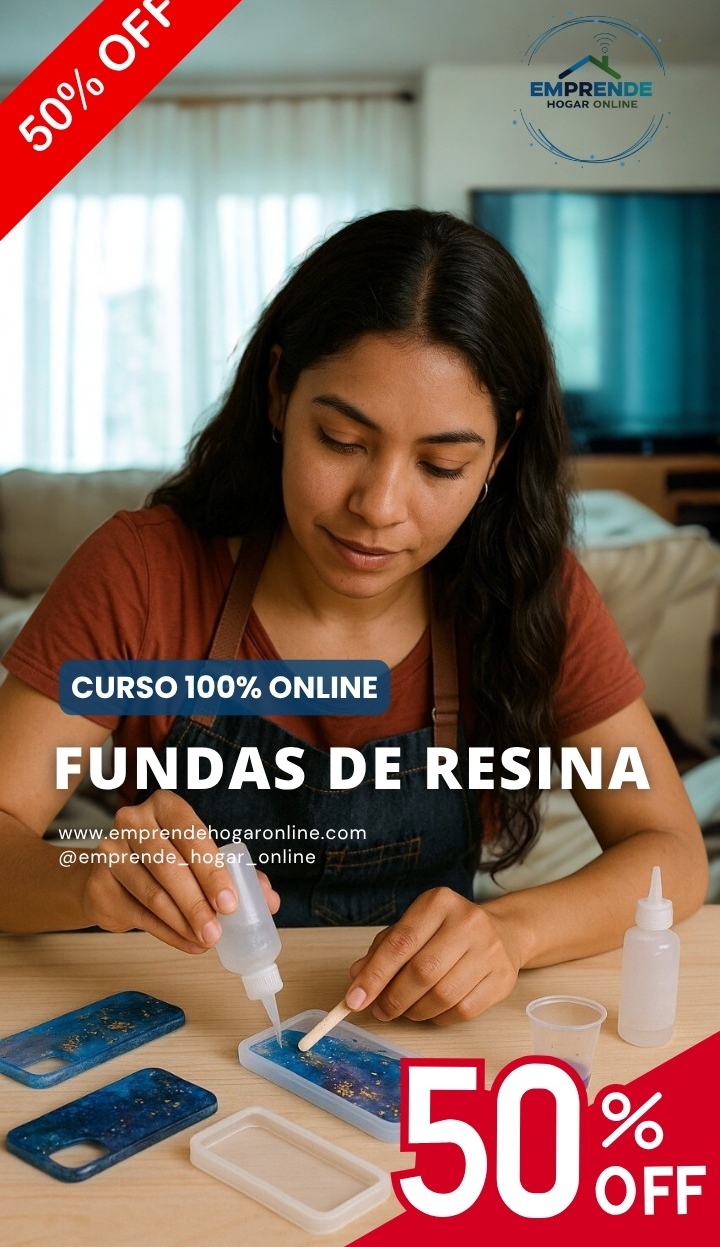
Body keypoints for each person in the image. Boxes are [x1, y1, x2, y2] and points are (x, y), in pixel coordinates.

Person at [0, 209, 707, 1028]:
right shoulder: (142, 573)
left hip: (416, 1043)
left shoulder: (523, 588)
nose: (378, 508)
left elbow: (672, 852)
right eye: (341, 440)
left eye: (442, 464)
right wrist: (87, 875)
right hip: (175, 1028)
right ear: (277, 392)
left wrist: (511, 933)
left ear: (501, 451)